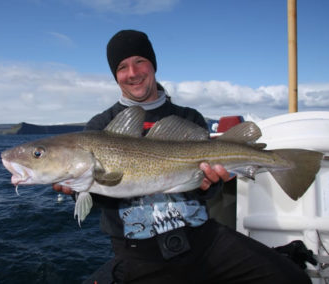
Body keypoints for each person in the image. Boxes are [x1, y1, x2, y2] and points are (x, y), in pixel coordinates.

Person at [53, 30, 312, 283]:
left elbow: (207, 191)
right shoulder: (100, 127)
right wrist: (77, 189)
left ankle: (286, 164)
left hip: (203, 238)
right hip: (140, 252)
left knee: (292, 278)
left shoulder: (188, 117)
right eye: (122, 67)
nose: (132, 73)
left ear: (153, 65)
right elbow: (101, 199)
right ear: (115, 75)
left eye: (140, 61)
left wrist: (210, 183)